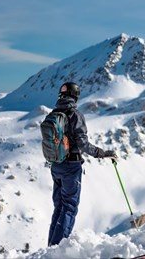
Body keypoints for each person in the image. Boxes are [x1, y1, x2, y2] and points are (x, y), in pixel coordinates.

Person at [47, 82, 116, 246]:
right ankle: (57, 250)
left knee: (59, 207)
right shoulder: (74, 115)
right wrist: (102, 153)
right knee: (69, 207)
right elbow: (84, 144)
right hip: (71, 166)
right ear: (75, 96)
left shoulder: (53, 113)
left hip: (56, 166)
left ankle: (51, 247)